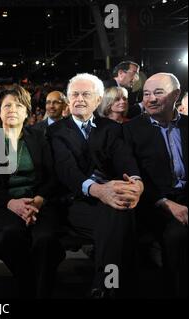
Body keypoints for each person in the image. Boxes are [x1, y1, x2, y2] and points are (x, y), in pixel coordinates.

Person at [47, 73, 144, 298]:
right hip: (76, 200)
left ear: (98, 99)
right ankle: (115, 285)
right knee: (120, 216)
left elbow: (125, 159)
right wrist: (100, 191)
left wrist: (136, 183)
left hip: (111, 197)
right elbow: (66, 170)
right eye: (75, 94)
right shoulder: (56, 131)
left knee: (118, 210)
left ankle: (105, 286)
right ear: (68, 99)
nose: (79, 99)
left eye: (86, 94)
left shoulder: (111, 128)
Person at [0, 86, 64, 298]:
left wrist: (39, 200)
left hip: (38, 203)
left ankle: (41, 292)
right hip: (3, 205)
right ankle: (28, 282)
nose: (12, 109)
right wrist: (11, 203)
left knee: (45, 239)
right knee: (9, 235)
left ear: (27, 112)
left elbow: (52, 175)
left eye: (18, 105)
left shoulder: (39, 137)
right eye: (7, 105)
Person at [123, 73, 187, 298]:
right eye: (147, 94)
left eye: (158, 93)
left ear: (176, 95)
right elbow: (134, 178)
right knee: (176, 237)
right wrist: (165, 203)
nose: (150, 99)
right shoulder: (130, 131)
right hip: (154, 203)